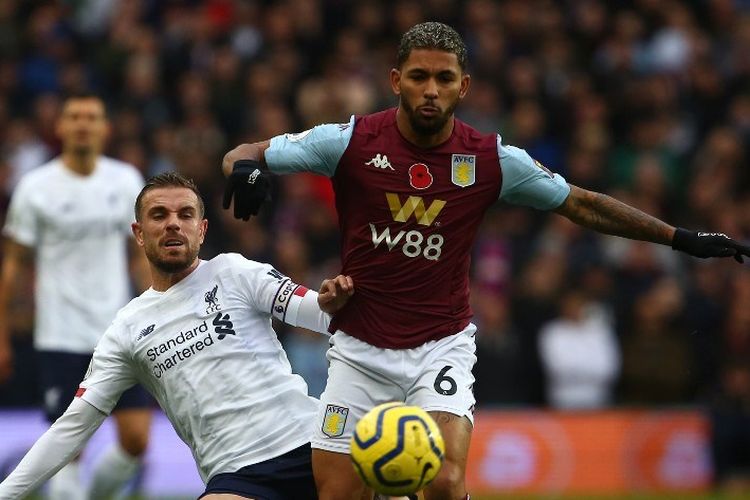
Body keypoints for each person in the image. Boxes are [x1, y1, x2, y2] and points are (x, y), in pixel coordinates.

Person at [221, 22, 750, 500]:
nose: (431, 90)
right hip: (359, 348)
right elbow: (244, 150)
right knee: (337, 496)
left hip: (440, 345)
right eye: (419, 77)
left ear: (463, 86)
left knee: (446, 482)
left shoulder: (492, 159)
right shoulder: (350, 141)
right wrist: (244, 170)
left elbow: (581, 203)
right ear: (395, 80)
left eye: (444, 79)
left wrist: (681, 237)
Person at [0, 171, 354, 500]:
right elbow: (73, 426)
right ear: (139, 233)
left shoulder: (236, 273)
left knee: (392, 480)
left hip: (312, 443)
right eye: (159, 215)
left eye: (185, 215)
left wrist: (334, 302)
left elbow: (326, 316)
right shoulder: (127, 329)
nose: (173, 223)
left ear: (201, 230)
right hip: (237, 474)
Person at [0, 93, 153, 500]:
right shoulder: (36, 187)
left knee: (137, 440)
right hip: (59, 335)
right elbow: (13, 264)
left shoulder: (124, 181)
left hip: (118, 332)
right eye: (75, 117)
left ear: (105, 128)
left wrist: (157, 306)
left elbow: (139, 257)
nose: (83, 124)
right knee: (69, 450)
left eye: (92, 117)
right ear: (60, 127)